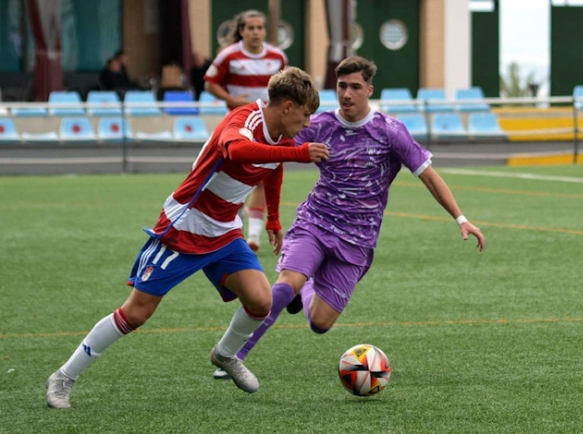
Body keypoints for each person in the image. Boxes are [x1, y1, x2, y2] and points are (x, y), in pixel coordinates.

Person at [45, 67, 330, 409]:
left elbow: (272, 168)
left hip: (224, 231)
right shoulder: (243, 121)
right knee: (136, 313)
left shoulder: (280, 135)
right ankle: (63, 377)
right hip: (186, 226)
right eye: (305, 112)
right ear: (286, 107)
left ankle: (225, 355)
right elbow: (237, 151)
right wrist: (299, 154)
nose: (308, 121)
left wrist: (271, 218)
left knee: (260, 301)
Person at [212, 56, 486, 381]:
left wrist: (460, 218)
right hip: (314, 222)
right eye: (342, 86)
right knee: (286, 285)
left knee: (320, 323)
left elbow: (428, 176)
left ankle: (307, 286)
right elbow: (275, 151)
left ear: (369, 89)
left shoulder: (390, 132)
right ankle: (233, 356)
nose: (347, 94)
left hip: (357, 241)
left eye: (355, 87)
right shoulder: (320, 125)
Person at [205, 9, 288, 253]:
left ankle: (252, 237)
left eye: (260, 28)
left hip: (266, 127)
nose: (255, 32)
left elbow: (285, 86)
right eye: (250, 28)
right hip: (238, 125)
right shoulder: (228, 56)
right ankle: (231, 230)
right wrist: (233, 99)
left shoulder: (277, 56)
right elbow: (209, 83)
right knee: (233, 178)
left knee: (261, 178)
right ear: (241, 31)